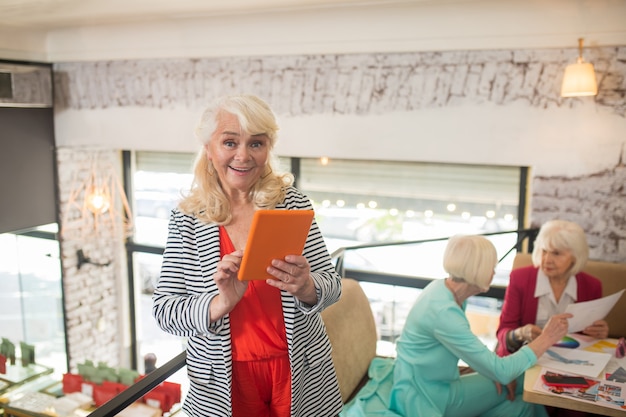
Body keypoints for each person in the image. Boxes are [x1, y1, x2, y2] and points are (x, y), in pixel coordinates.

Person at [152, 94, 343, 417]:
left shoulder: (292, 204)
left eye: (256, 144)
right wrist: (220, 302)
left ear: (267, 149)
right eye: (230, 142)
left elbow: (333, 286)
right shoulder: (187, 218)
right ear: (209, 149)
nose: (243, 156)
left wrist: (307, 287)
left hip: (299, 373)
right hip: (223, 380)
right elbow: (165, 311)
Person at [389, 235, 570, 417]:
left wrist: (494, 372)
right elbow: (503, 372)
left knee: (520, 405)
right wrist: (547, 338)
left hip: (426, 384)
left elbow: (477, 354)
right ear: (477, 269)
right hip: (426, 396)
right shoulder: (444, 311)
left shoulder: (444, 290)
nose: (493, 273)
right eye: (492, 267)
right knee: (524, 379)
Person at [496, 219, 609, 358]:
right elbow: (503, 333)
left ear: (575, 257)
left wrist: (598, 332)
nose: (547, 260)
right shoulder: (520, 278)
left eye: (556, 253)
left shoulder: (592, 286)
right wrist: (520, 333)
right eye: (544, 251)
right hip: (525, 358)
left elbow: (587, 336)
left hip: (571, 360)